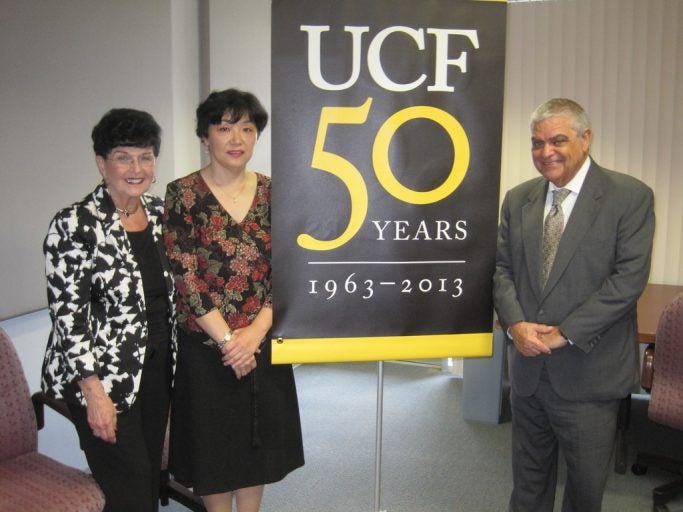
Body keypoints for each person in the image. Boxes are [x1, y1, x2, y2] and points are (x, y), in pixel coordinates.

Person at [493, 98, 655, 512]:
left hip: (589, 374)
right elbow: (502, 270)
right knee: (528, 484)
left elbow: (627, 281)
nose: (546, 151)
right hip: (528, 369)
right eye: (536, 142)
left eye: (558, 140)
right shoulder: (518, 199)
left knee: (584, 493)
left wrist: (565, 333)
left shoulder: (629, 197)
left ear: (585, 139)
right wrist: (515, 326)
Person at [163, 88, 304, 512]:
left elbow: (290, 268)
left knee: (255, 447)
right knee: (213, 450)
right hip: (206, 347)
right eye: (224, 128)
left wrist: (255, 334)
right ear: (205, 136)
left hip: (259, 344)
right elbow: (184, 274)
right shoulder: (182, 193)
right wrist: (229, 342)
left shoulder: (275, 192)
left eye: (246, 128)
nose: (237, 138)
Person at [42, 108, 176, 511]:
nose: (136, 168)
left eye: (146, 156)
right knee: (130, 488)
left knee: (149, 475)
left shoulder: (160, 215)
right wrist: (94, 394)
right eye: (123, 156)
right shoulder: (74, 224)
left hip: (153, 367)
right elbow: (68, 317)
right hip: (99, 377)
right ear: (102, 163)